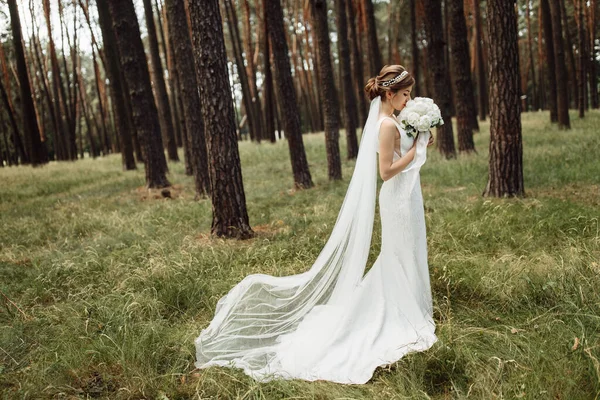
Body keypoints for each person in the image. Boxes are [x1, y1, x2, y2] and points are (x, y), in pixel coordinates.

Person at [194, 65, 437, 384]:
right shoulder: (387, 124)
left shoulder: (391, 120)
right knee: (401, 253)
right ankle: (403, 311)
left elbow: (399, 155)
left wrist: (420, 139)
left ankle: (409, 303)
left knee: (407, 251)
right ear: (389, 95)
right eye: (405, 95)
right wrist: (418, 148)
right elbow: (386, 171)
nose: (409, 100)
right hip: (398, 199)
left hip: (405, 196)